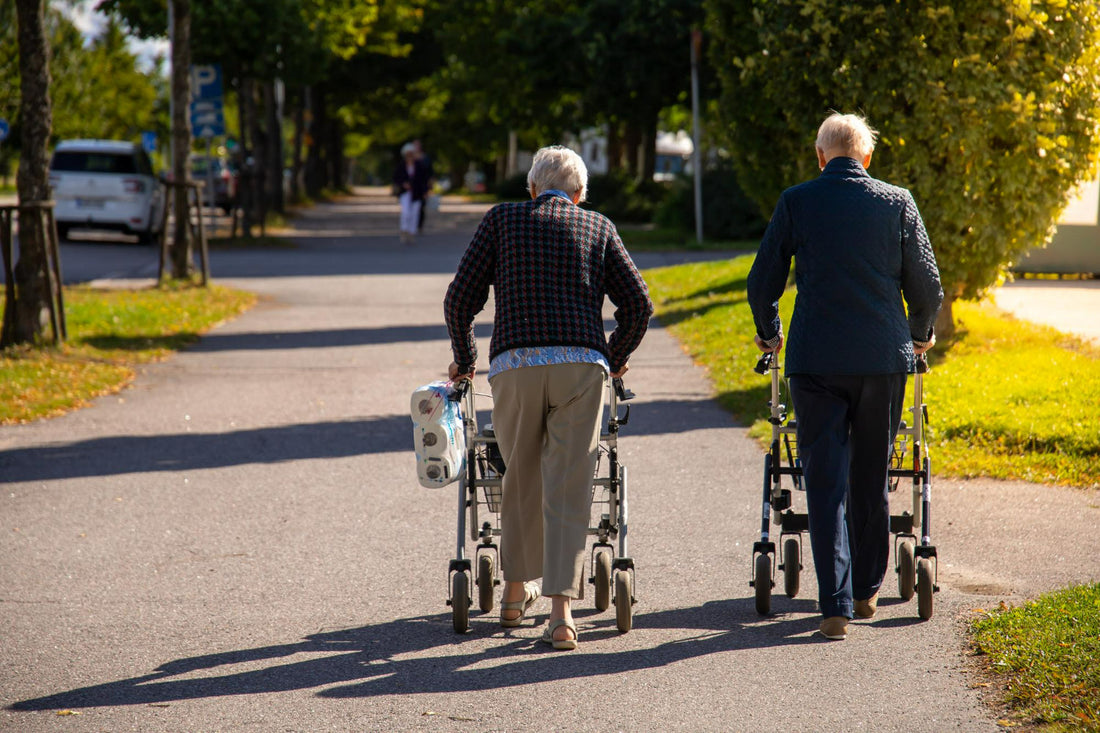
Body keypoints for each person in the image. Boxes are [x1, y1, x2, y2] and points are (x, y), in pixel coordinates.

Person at [444, 145, 653, 650]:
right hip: (580, 368)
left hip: (515, 365)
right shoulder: (598, 226)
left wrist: (465, 359)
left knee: (519, 477)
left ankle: (514, 595)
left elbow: (460, 299)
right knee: (569, 483)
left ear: (533, 188)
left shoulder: (501, 220)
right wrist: (614, 356)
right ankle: (562, 616)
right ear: (579, 194)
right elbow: (639, 304)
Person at [746, 113, 943, 641]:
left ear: (820, 156)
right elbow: (927, 285)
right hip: (881, 358)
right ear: (868, 157)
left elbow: (762, 282)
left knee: (825, 479)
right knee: (870, 475)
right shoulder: (897, 201)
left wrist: (770, 333)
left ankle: (833, 605)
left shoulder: (796, 201)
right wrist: (919, 334)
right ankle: (865, 592)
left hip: (815, 359)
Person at [393, 142, 431, 244]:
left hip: (417, 193)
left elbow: (424, 179)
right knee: (406, 212)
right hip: (405, 193)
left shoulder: (419, 165)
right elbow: (396, 178)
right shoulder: (401, 165)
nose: (409, 156)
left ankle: (412, 232)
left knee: (415, 213)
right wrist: (403, 184)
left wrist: (425, 191)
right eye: (408, 154)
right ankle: (404, 229)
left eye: (411, 153)